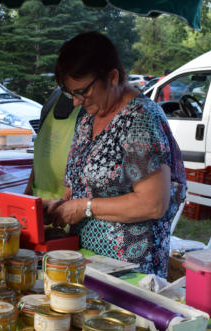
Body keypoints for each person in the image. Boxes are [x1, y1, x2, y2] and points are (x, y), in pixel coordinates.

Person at [46, 32, 186, 277]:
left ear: (112, 77)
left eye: (83, 91)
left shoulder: (141, 119)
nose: (77, 102)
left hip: (129, 270)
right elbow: (81, 184)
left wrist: (85, 207)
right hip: (86, 261)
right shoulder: (89, 117)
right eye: (72, 94)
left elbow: (153, 204)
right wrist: (61, 205)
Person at [24, 87, 85, 200]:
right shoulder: (56, 95)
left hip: (68, 200)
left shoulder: (88, 105)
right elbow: (40, 148)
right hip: (40, 193)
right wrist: (29, 188)